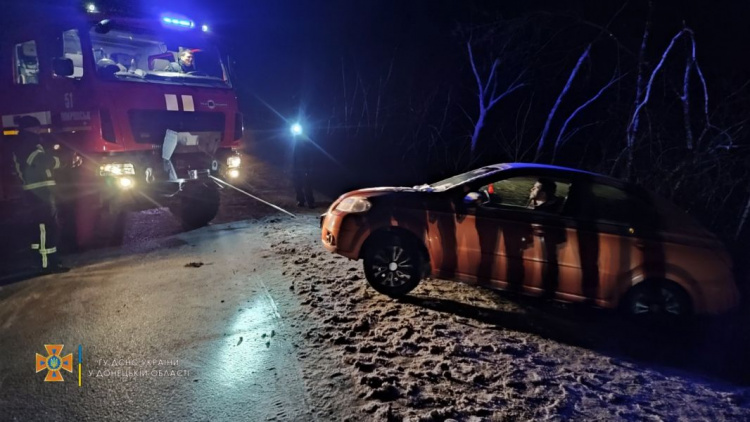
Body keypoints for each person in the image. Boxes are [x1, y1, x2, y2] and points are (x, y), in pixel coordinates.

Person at [10, 116, 71, 273]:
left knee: (40, 227)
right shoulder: (28, 143)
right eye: (36, 128)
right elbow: (42, 161)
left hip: (35, 190)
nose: (39, 130)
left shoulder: (24, 142)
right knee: (46, 226)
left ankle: (41, 261)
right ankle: (48, 264)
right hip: (39, 191)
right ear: (29, 129)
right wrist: (63, 161)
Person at [292, 134, 315, 208]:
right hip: (297, 168)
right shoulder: (296, 146)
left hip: (305, 168)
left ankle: (310, 202)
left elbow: (310, 158)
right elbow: (294, 157)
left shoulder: (307, 146)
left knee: (307, 185)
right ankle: (301, 201)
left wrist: (308, 169)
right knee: (298, 185)